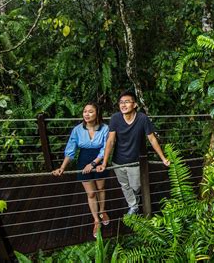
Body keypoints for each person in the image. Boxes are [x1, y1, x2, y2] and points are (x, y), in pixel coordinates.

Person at [97, 91, 170, 215]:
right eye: (121, 102)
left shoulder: (142, 118)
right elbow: (110, 141)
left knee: (136, 186)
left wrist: (163, 158)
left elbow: (152, 138)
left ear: (135, 104)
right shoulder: (115, 118)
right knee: (124, 185)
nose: (123, 105)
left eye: (127, 102)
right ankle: (134, 206)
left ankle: (134, 200)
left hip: (135, 161)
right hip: (118, 161)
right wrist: (104, 163)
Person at [52, 102, 109, 238]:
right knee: (90, 194)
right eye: (85, 111)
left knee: (100, 188)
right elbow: (70, 150)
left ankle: (102, 211)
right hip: (83, 162)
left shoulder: (105, 128)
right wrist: (62, 167)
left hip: (99, 161)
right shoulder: (77, 129)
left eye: (90, 111)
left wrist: (94, 163)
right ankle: (96, 220)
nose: (87, 114)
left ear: (97, 114)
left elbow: (106, 148)